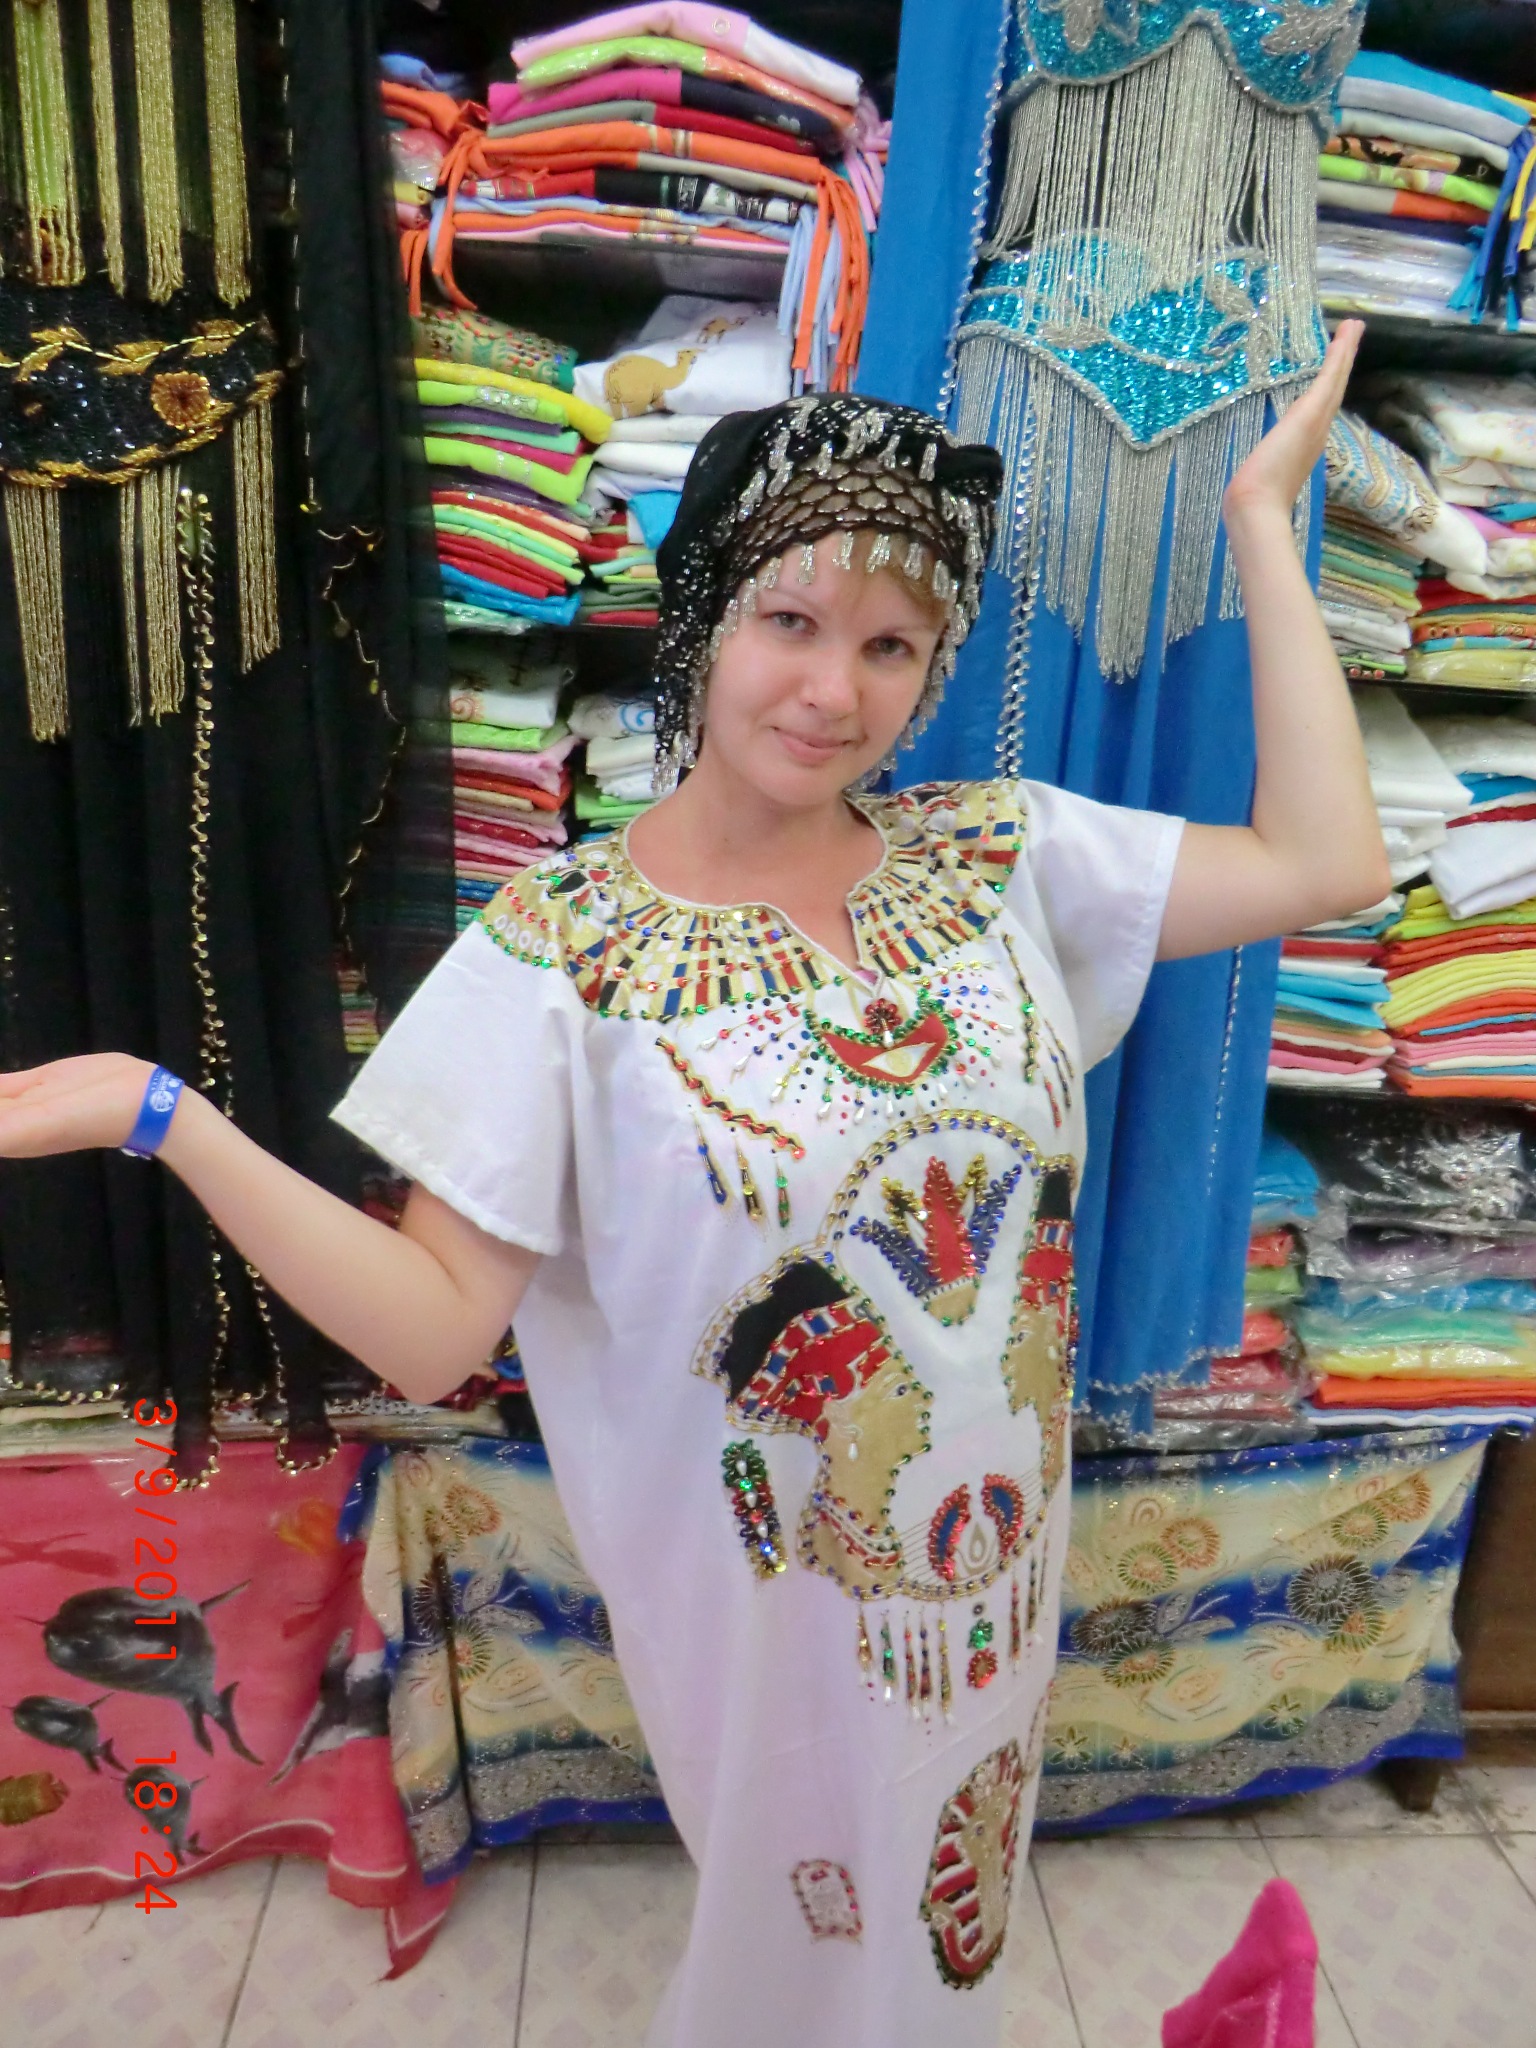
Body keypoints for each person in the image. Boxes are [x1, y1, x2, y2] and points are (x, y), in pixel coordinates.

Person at [0, 323, 1385, 2047]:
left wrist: (1262, 520)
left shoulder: (1002, 857)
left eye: (890, 645)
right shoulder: (559, 952)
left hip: (998, 1580)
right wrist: (165, 1118)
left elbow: (1329, 857)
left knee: (945, 1929)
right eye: (790, 622)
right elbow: (431, 1335)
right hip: (765, 1610)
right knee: (799, 1957)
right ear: (704, 619)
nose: (833, 691)